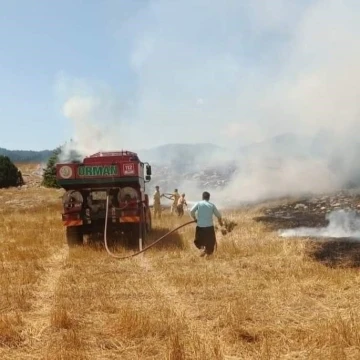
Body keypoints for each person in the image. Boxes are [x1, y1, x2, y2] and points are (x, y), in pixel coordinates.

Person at [190, 191, 223, 257]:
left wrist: (194, 218)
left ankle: (203, 250)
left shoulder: (198, 203)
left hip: (200, 226)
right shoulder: (211, 205)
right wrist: (220, 222)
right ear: (209, 198)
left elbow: (191, 211)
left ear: (202, 197)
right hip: (209, 227)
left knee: (199, 241)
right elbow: (219, 215)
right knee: (210, 242)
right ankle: (207, 254)